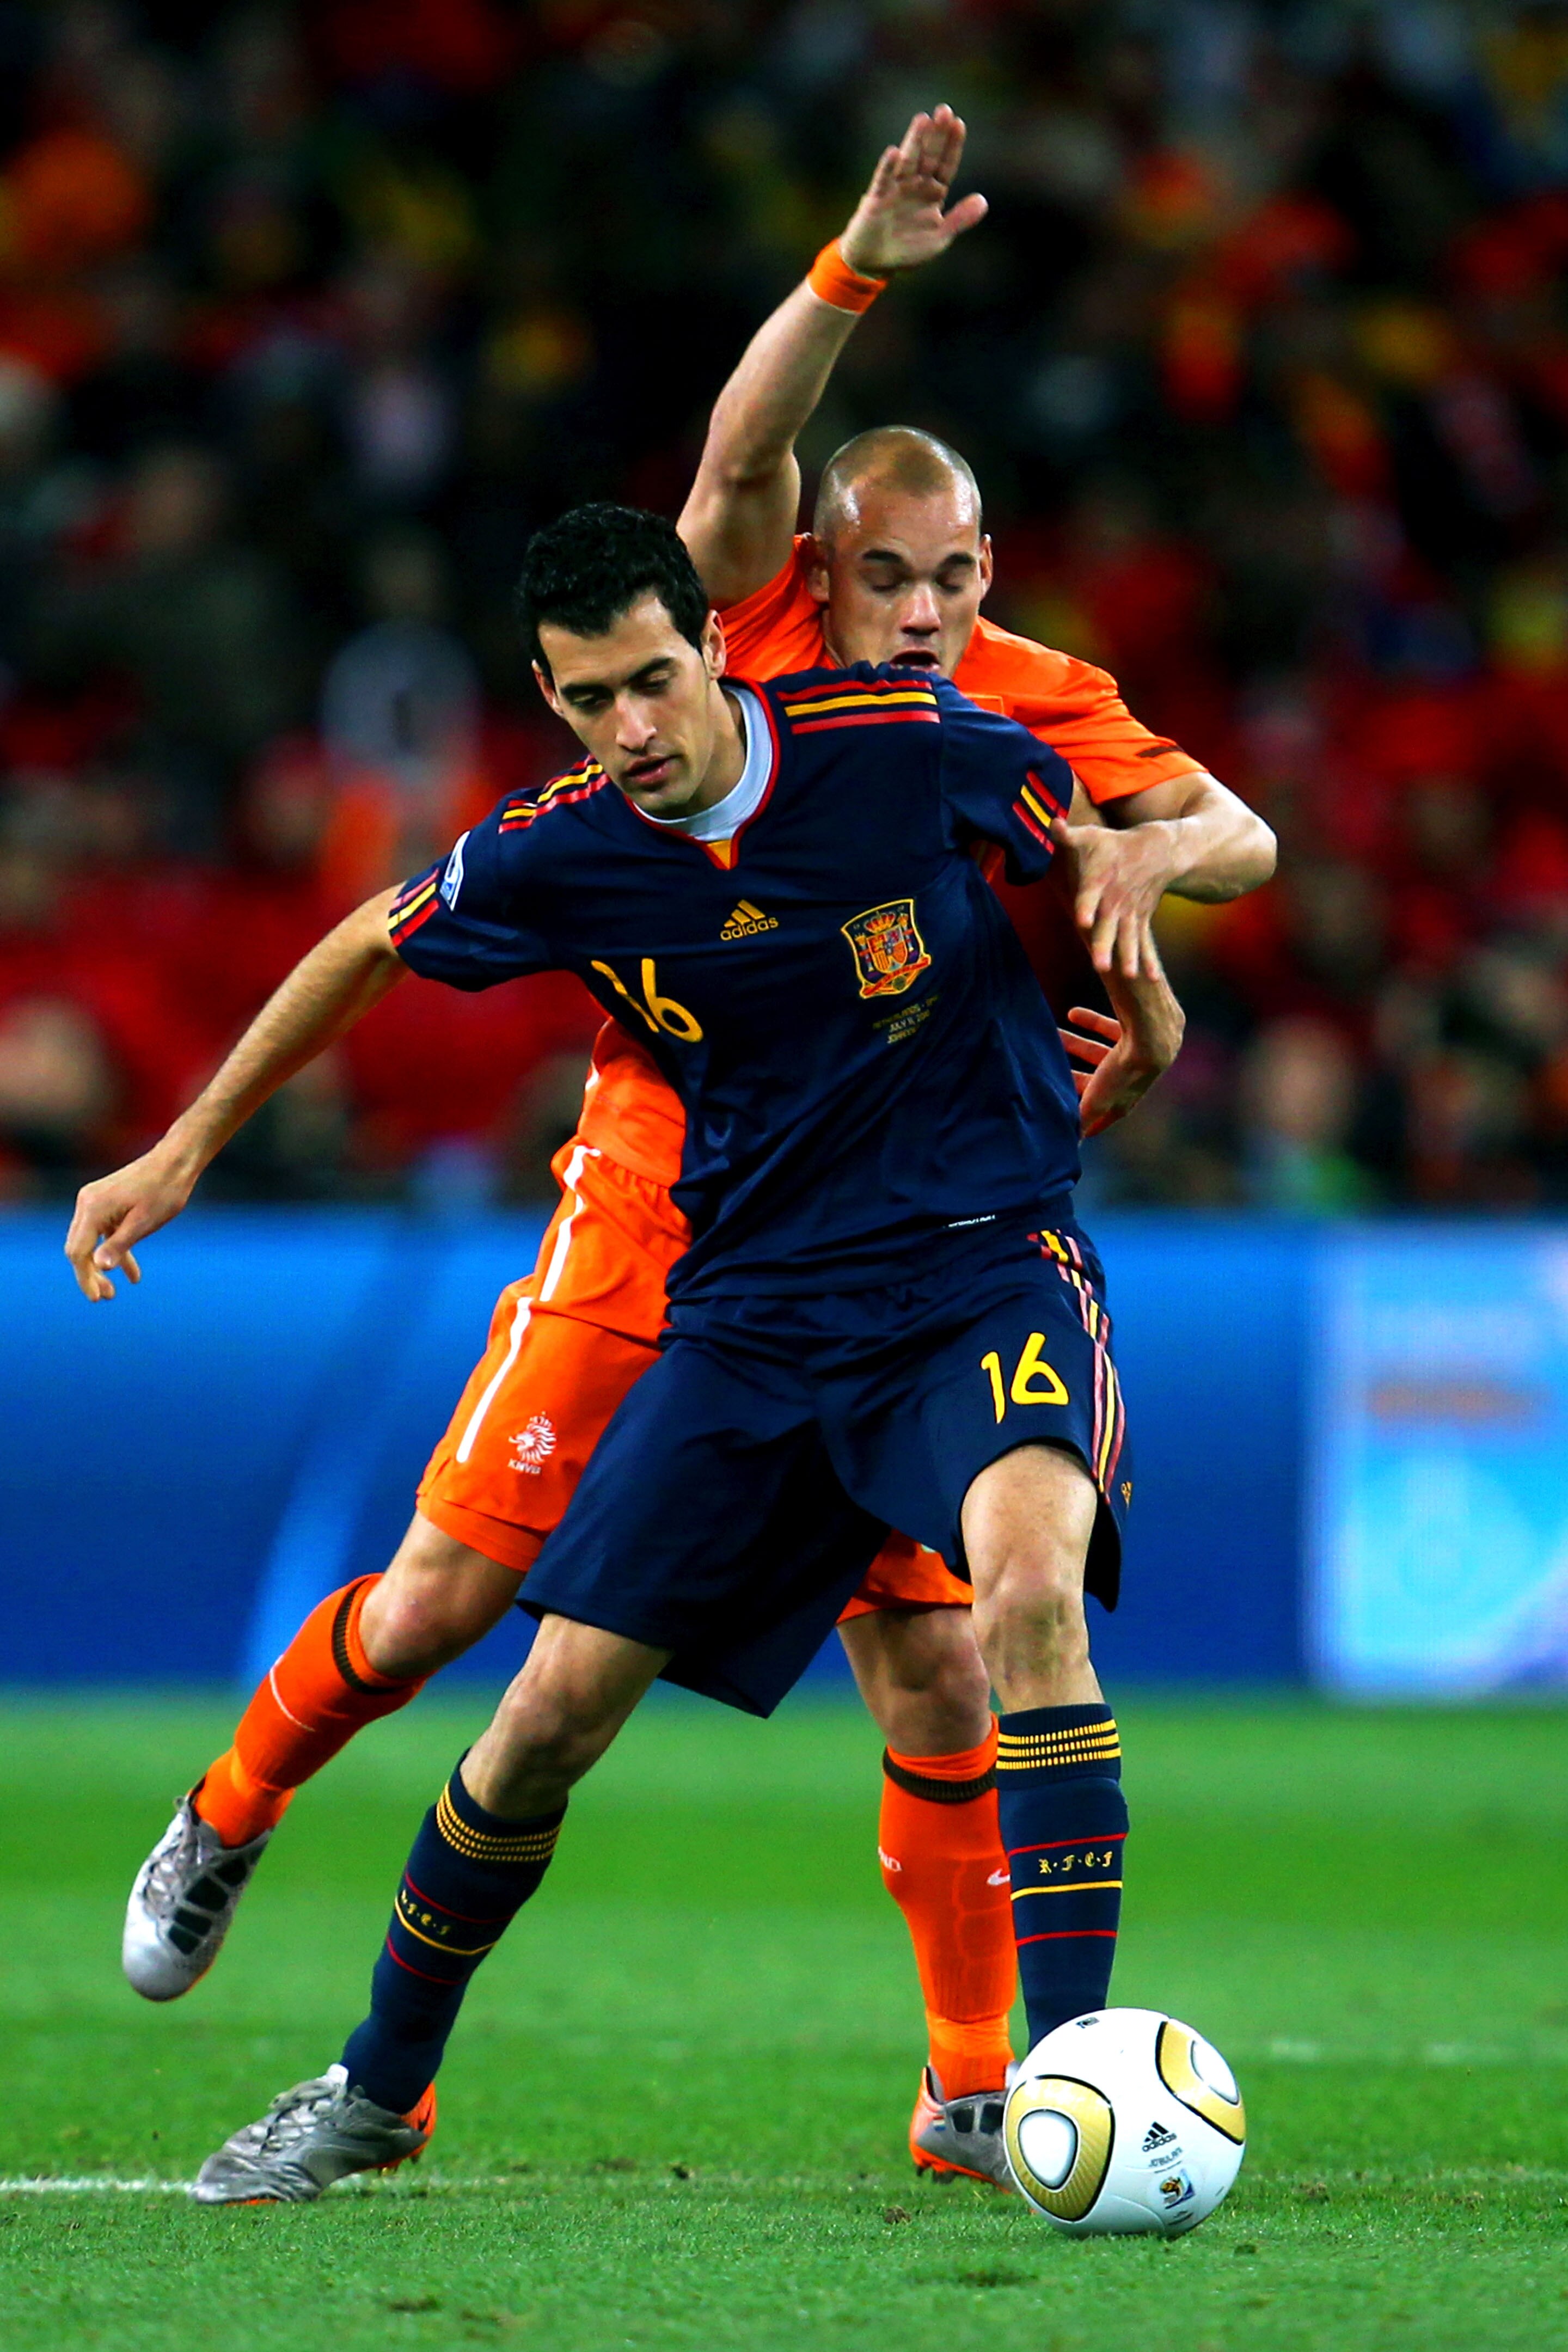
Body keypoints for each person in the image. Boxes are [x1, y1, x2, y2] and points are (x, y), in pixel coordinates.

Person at [76, 106, 1272, 2190]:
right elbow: (724, 471)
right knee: (484, 1643)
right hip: (704, 1235)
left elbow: (1197, 850)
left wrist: (1148, 928)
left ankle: (1018, 2079)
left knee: (982, 1628)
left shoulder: (959, 723)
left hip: (964, 1258)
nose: (634, 723)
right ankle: (301, 1940)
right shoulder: (614, 788)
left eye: (950, 577)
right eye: (882, 573)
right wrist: (178, 1150)